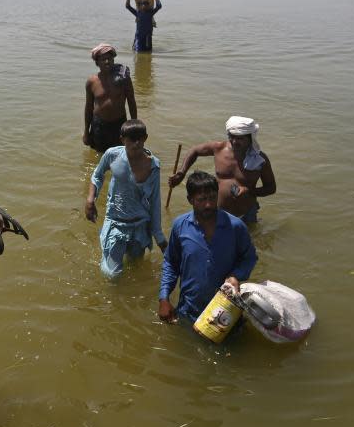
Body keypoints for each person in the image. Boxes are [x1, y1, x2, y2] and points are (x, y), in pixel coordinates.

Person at [159, 171, 257, 323]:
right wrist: (164, 298)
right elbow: (171, 263)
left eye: (212, 197)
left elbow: (249, 258)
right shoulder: (180, 226)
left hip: (226, 310)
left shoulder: (236, 227)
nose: (208, 204)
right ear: (190, 199)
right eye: (201, 199)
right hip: (189, 310)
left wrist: (235, 275)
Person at [85, 119, 167, 277]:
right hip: (116, 222)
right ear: (122, 139)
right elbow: (97, 175)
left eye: (140, 139)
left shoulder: (154, 165)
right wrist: (90, 200)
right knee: (112, 274)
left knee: (135, 269)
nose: (136, 144)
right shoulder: (113, 155)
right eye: (131, 139)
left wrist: (159, 236)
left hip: (140, 226)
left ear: (146, 138)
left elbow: (155, 202)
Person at [168, 116, 276, 223]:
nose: (234, 142)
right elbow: (195, 150)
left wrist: (249, 191)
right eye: (231, 137)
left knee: (249, 238)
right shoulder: (219, 148)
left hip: (246, 213)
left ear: (250, 138)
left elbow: (271, 188)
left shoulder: (260, 160)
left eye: (239, 138)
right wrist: (182, 173)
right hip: (218, 212)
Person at [84, 43, 137, 153]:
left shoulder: (124, 79)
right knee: (99, 155)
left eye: (110, 58)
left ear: (114, 59)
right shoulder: (91, 82)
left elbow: (131, 101)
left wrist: (134, 125)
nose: (107, 62)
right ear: (97, 62)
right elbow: (88, 108)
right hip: (99, 125)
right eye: (103, 59)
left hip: (119, 124)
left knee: (120, 154)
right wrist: (86, 132)